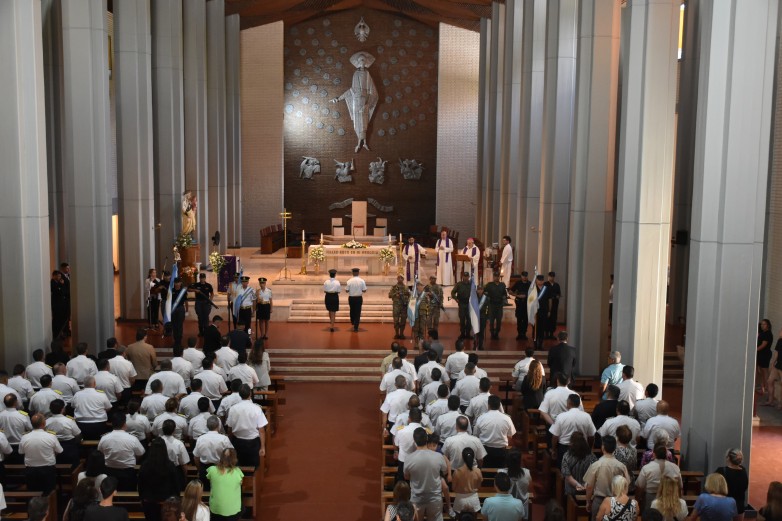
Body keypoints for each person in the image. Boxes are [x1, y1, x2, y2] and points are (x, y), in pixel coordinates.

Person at [584, 435, 632, 520]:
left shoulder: (595, 465)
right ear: (614, 448)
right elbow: (627, 483)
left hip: (599, 501)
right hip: (616, 501)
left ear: (603, 447)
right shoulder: (621, 466)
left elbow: (589, 486)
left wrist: (588, 501)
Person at [404, 427, 447, 521]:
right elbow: (445, 471)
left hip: (417, 497)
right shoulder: (438, 456)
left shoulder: (408, 458)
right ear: (427, 439)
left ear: (414, 441)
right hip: (435, 497)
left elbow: (406, 477)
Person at [98, 412, 145, 491]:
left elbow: (100, 453)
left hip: (109, 471)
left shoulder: (104, 438)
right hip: (128, 473)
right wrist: (134, 460)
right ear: (124, 424)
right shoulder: (132, 439)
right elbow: (140, 453)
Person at [138, 438, 182, 521]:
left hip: (149, 502)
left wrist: (141, 498)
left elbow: (140, 484)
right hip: (166, 503)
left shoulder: (144, 465)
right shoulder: (170, 465)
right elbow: (176, 485)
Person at [19, 412, 62, 495]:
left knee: (33, 493)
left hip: (31, 470)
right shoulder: (51, 436)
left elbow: (21, 452)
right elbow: (59, 451)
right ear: (44, 423)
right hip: (47, 469)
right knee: (49, 493)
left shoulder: (24, 437)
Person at [225, 384, 267, 468]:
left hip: (238, 442)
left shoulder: (233, 409)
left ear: (239, 394)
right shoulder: (256, 408)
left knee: (239, 466)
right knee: (254, 467)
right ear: (250, 394)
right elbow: (261, 430)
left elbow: (230, 428)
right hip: (253, 443)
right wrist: (263, 447)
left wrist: (229, 443)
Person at [635, 441, 683, 511]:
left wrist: (638, 500)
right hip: (670, 499)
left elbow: (640, 486)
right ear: (666, 454)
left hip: (651, 498)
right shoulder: (675, 467)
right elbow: (680, 486)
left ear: (654, 454)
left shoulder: (647, 468)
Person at [550, 394, 596, 466]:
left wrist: (553, 450)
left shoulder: (561, 416)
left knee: (564, 469)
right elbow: (591, 436)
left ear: (569, 403)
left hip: (564, 448)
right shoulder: (587, 416)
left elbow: (555, 436)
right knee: (580, 469)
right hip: (582, 448)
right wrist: (589, 448)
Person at [474, 395, 515, 467]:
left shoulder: (481, 418)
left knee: (486, 469)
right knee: (501, 469)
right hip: (501, 451)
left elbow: (476, 435)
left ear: (488, 405)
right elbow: (510, 436)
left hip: (485, 451)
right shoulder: (507, 418)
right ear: (499, 406)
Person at [193, 415, 233, 487]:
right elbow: (231, 454)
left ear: (207, 426)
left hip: (205, 470)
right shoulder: (224, 439)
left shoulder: (200, 439)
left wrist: (200, 470)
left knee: (205, 491)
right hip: (221, 469)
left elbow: (196, 457)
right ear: (218, 425)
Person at [207, 448, 244, 521]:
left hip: (216, 509)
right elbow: (241, 482)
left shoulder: (212, 470)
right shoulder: (238, 472)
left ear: (221, 457)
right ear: (235, 459)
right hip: (233, 511)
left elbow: (210, 479)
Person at [46, 398, 82, 467]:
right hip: (69, 448)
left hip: (53, 450)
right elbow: (78, 434)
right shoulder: (69, 421)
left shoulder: (46, 422)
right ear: (63, 409)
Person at [561, 432, 597, 496]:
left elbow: (567, 475)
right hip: (588, 492)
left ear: (571, 443)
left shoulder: (567, 456)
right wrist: (585, 485)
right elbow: (595, 473)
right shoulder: (592, 456)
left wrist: (578, 485)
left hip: (571, 492)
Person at [715, 448, 749, 515]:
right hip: (739, 506)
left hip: (724, 505)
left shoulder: (721, 471)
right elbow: (745, 487)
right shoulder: (743, 470)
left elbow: (712, 486)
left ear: (728, 458)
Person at [452, 446, 482, 515]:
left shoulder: (457, 472)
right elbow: (479, 486)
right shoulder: (478, 471)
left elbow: (453, 488)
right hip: (473, 499)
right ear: (473, 457)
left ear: (463, 457)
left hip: (460, 499)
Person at [189, 273, 214, 337]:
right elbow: (188, 289)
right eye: (201, 278)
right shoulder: (196, 284)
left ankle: (206, 331)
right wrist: (195, 290)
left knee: (206, 317)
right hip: (198, 302)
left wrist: (210, 300)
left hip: (206, 302)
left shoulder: (208, 285)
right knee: (200, 317)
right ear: (199, 278)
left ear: (205, 278)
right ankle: (201, 332)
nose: (202, 279)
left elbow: (212, 293)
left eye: (203, 278)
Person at [484, 271, 507, 340]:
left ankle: (497, 333)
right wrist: (487, 298)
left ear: (499, 277)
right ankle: (492, 333)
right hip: (492, 305)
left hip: (499, 305)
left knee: (499, 320)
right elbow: (484, 292)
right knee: (491, 321)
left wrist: (504, 298)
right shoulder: (489, 285)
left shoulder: (502, 285)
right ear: (493, 277)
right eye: (495, 276)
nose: (496, 278)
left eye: (497, 276)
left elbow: (504, 294)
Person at [509, 271, 531, 340]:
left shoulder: (530, 284)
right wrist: (517, 295)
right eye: (524, 276)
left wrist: (526, 296)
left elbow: (533, 293)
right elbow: (510, 291)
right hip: (519, 303)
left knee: (525, 320)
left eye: (526, 276)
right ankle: (519, 334)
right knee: (519, 319)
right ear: (521, 276)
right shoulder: (518, 283)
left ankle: (524, 333)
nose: (525, 277)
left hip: (527, 304)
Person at [451, 272, 473, 340]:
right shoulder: (459, 284)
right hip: (462, 304)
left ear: (469, 277)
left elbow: (475, 293)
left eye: (467, 276)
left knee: (469, 320)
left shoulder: (471, 284)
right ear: (462, 277)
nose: (466, 278)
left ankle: (468, 334)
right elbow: (453, 292)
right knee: (462, 320)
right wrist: (456, 298)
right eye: (464, 276)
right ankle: (462, 334)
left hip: (469, 304)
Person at [345, 268, 367, 332]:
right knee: (358, 312)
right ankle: (356, 327)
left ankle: (353, 321)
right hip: (359, 298)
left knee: (352, 310)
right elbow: (364, 290)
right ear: (358, 273)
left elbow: (346, 290)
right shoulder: (362, 280)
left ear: (352, 273)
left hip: (351, 298)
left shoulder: (349, 281)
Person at [765, 329, 782, 409]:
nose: (780, 332)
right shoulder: (779, 341)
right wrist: (772, 362)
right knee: (769, 381)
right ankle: (770, 401)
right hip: (777, 365)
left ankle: (780, 404)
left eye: (781, 331)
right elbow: (776, 352)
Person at [170, 277, 189, 346]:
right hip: (173, 309)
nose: (177, 284)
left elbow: (186, 301)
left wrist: (187, 311)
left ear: (180, 283)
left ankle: (179, 340)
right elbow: (169, 301)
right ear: (174, 283)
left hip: (181, 308)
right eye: (176, 282)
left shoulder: (183, 291)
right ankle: (175, 339)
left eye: (178, 282)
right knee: (174, 325)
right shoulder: (171, 290)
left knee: (180, 325)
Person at [51, 270, 69, 337]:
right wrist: (60, 285)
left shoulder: (58, 283)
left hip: (61, 304)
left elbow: (63, 291)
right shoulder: (52, 282)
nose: (59, 277)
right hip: (56, 304)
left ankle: (60, 332)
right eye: (58, 276)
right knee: (56, 319)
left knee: (61, 319)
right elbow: (57, 291)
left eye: (60, 276)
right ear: (54, 276)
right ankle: (56, 333)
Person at [758, 319, 774, 396]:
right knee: (760, 371)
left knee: (764, 372)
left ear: (768, 325)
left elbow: (763, 345)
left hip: (765, 354)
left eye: (764, 324)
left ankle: (767, 388)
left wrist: (755, 350)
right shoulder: (762, 333)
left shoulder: (767, 334)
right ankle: (762, 388)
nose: (762, 325)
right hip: (760, 354)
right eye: (761, 324)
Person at [545, 272, 561, 338]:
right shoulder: (545, 284)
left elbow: (559, 293)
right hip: (547, 304)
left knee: (553, 319)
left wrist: (557, 296)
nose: (551, 278)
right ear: (548, 277)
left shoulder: (556, 285)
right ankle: (546, 333)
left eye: (553, 276)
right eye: (550, 276)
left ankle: (551, 333)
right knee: (547, 319)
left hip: (554, 304)